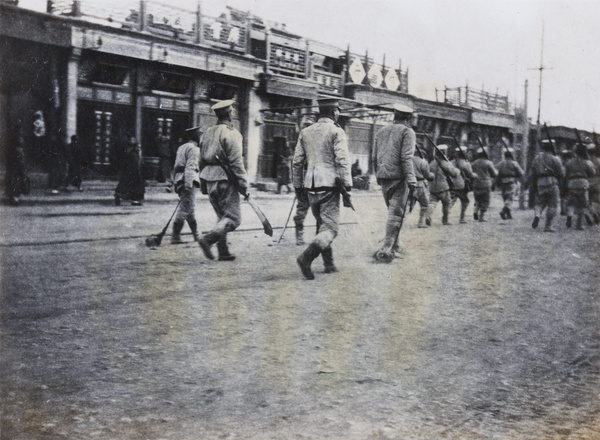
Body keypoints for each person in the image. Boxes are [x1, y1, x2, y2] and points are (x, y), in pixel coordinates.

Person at [293, 97, 352, 279]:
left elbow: (297, 162)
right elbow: (342, 160)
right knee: (330, 229)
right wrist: (347, 185)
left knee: (322, 223)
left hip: (311, 186)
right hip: (329, 185)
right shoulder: (336, 131)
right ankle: (306, 257)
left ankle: (328, 263)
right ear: (334, 112)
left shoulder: (306, 132)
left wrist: (298, 185)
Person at [197, 99, 248, 262]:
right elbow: (236, 161)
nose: (232, 113)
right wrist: (243, 183)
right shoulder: (232, 133)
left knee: (221, 216)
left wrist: (203, 183)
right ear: (228, 114)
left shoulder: (207, 132)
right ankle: (208, 240)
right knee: (233, 218)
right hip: (226, 178)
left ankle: (223, 251)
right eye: (231, 110)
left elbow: (201, 160)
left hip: (210, 178)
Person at [371, 103, 417, 262]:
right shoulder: (407, 132)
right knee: (396, 215)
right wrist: (411, 179)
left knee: (394, 213)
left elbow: (374, 157)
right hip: (399, 177)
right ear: (408, 118)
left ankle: (395, 245)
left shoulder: (381, 131)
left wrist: (377, 174)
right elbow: (406, 158)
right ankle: (386, 249)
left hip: (384, 176)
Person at [171, 128, 201, 244]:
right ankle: (175, 237)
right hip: (188, 181)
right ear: (195, 137)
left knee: (189, 209)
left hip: (180, 180)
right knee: (185, 209)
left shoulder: (181, 147)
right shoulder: (194, 149)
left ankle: (196, 235)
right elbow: (190, 167)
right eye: (199, 135)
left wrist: (174, 182)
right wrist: (188, 185)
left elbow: (175, 167)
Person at [527, 139, 564, 232]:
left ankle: (537, 214)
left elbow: (532, 172)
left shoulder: (537, 158)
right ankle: (548, 226)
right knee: (553, 204)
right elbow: (561, 173)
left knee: (540, 203)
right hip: (552, 182)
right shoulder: (556, 158)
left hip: (540, 182)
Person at [564, 143, 596, 230]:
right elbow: (593, 173)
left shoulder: (569, 162)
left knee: (570, 203)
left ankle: (569, 216)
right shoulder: (587, 162)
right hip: (583, 183)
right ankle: (579, 225)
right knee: (582, 204)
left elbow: (565, 174)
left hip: (572, 183)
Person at [427, 144, 459, 226]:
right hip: (443, 187)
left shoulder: (432, 163)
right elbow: (454, 174)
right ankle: (445, 220)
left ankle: (428, 215)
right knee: (447, 203)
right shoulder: (445, 163)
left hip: (432, 186)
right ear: (444, 152)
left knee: (432, 202)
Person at [450, 145, 478, 224]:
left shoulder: (451, 162)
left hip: (451, 184)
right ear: (464, 154)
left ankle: (446, 215)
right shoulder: (466, 163)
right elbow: (470, 175)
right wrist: (475, 175)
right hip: (461, 185)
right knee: (465, 201)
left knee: (452, 200)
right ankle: (462, 218)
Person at [114, 135, 145, 206]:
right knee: (132, 185)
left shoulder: (132, 151)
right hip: (132, 171)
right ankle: (134, 200)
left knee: (126, 185)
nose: (133, 141)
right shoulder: (132, 152)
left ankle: (119, 196)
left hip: (130, 171)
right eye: (132, 140)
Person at [4, 121, 29, 206]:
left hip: (11, 169)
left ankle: (12, 198)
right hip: (16, 170)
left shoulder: (11, 145)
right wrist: (23, 171)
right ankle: (14, 199)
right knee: (16, 184)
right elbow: (21, 162)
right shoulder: (19, 150)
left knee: (12, 183)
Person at [495, 147, 524, 220]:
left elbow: (496, 171)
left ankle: (508, 214)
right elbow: (521, 173)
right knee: (510, 198)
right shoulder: (514, 163)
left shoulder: (501, 163)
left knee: (505, 197)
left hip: (502, 182)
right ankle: (503, 211)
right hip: (512, 181)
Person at [471, 146, 498, 222]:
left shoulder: (474, 163)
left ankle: (475, 210)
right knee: (485, 200)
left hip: (476, 183)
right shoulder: (488, 163)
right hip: (486, 184)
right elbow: (494, 174)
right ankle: (481, 217)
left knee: (477, 199)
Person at [412, 144, 433, 228]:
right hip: (420, 185)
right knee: (424, 204)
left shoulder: (408, 161)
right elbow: (427, 175)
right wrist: (432, 175)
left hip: (409, 185)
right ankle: (421, 223)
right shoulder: (423, 162)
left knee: (408, 205)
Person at [585, 138, 600, 224]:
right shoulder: (599, 161)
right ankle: (598, 214)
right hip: (598, 181)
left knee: (588, 202)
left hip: (588, 182)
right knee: (598, 199)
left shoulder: (586, 162)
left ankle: (593, 214)